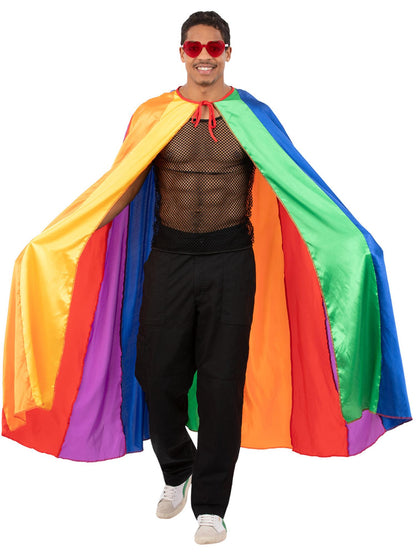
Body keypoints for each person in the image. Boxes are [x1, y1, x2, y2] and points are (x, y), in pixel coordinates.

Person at [2, 8, 412, 549]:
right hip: (169, 258)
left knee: (222, 385)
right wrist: (66, 239)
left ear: (227, 53)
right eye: (194, 47)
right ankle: (178, 468)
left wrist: (348, 240)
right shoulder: (154, 115)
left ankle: (212, 506)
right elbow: (121, 186)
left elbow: (295, 186)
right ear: (181, 54)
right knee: (155, 374)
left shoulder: (252, 116)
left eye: (213, 48)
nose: (204, 57)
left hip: (230, 261)